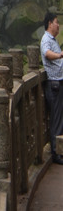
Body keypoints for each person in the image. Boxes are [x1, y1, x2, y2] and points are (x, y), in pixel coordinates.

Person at [40, 12, 63, 164]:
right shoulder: (46, 39)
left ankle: (59, 150)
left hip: (58, 82)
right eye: (56, 22)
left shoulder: (53, 39)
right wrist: (60, 55)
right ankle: (56, 153)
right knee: (56, 119)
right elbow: (46, 53)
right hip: (54, 84)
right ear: (49, 23)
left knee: (60, 118)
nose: (58, 25)